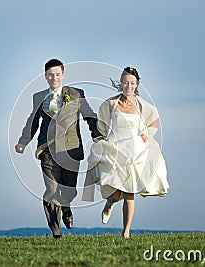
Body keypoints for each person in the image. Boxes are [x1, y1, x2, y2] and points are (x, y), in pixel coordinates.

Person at [15, 59, 102, 238]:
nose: (54, 77)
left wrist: (95, 133)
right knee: (51, 190)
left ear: (63, 75)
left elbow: (89, 115)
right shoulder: (38, 97)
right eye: (50, 74)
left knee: (69, 190)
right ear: (46, 76)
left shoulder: (76, 94)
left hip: (70, 150)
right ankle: (56, 230)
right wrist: (23, 142)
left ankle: (66, 207)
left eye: (57, 74)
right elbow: (33, 122)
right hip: (47, 149)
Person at [82, 67, 169, 238]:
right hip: (114, 149)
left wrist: (146, 134)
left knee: (129, 191)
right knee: (115, 193)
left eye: (132, 83)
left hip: (133, 151)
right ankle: (109, 203)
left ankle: (126, 231)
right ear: (120, 84)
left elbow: (155, 119)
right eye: (126, 82)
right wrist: (100, 138)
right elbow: (102, 126)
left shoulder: (142, 105)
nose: (129, 86)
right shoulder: (111, 104)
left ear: (136, 85)